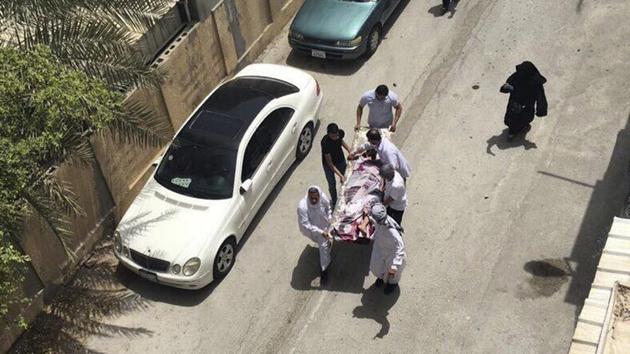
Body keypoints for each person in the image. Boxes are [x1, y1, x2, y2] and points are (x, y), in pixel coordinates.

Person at [500, 61, 548, 141]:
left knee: (524, 118)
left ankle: (515, 130)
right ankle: (512, 132)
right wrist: (506, 88)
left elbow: (540, 97)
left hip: (526, 106)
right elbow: (508, 85)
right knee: (512, 119)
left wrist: (541, 110)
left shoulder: (535, 82)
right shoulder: (517, 76)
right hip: (515, 103)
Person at [366, 203, 405, 295]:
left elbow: (400, 246)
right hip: (380, 248)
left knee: (393, 273)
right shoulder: (379, 221)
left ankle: (392, 284)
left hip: (391, 253)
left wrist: (395, 264)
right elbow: (375, 225)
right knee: (376, 266)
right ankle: (381, 278)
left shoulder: (391, 231)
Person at [297, 186, 333, 284]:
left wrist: (330, 218)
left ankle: (324, 270)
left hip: (324, 224)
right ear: (308, 195)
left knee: (323, 249)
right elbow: (306, 224)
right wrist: (321, 232)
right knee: (321, 243)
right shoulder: (302, 206)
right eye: (311, 198)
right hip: (313, 229)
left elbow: (328, 207)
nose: (313, 200)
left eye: (316, 198)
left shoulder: (323, 197)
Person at [321, 123, 351, 207]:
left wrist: (350, 150)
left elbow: (342, 142)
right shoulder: (325, 142)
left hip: (340, 159)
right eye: (333, 136)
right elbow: (330, 163)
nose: (336, 137)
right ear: (328, 133)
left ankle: (346, 196)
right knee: (332, 184)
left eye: (337, 135)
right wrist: (340, 175)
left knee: (347, 178)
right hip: (328, 164)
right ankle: (334, 202)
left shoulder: (339, 134)